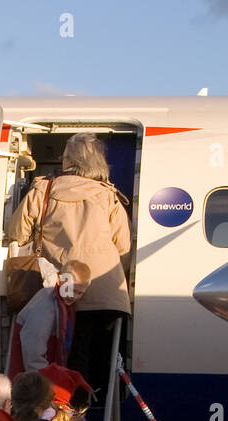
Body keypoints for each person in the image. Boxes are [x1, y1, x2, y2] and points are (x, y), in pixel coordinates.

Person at [7, 132, 133, 397]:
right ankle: (93, 402)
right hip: (106, 292)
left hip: (63, 291)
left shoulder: (44, 190)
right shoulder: (108, 195)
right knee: (97, 353)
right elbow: (123, 245)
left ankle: (66, 407)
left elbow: (16, 232)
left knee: (63, 351)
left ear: (68, 159)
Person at [7, 260, 91, 378]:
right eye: (70, 289)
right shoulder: (45, 304)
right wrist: (43, 380)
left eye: (80, 293)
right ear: (59, 280)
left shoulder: (62, 303)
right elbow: (33, 348)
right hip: (32, 379)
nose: (74, 296)